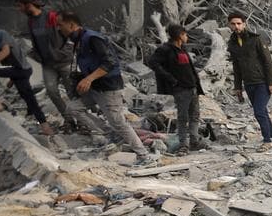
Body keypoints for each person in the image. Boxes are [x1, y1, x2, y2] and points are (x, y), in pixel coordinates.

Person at [57, 12, 153, 165]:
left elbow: (110, 63)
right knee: (73, 108)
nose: (58, 28)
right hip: (95, 87)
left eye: (60, 25)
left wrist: (88, 78)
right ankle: (111, 134)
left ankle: (144, 156)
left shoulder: (92, 38)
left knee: (118, 122)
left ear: (71, 25)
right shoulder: (78, 40)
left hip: (108, 87)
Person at [15, 0, 87, 132]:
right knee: (52, 91)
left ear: (28, 5)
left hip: (64, 61)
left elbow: (70, 32)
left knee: (72, 93)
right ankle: (69, 120)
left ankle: (84, 123)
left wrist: (66, 51)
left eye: (20, 6)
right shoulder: (31, 22)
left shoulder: (51, 16)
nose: (19, 9)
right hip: (48, 64)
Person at [147, 24, 206, 153]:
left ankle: (194, 141)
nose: (187, 37)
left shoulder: (181, 49)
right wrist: (171, 79)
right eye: (185, 35)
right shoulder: (166, 49)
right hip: (181, 89)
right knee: (183, 117)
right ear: (180, 36)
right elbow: (152, 62)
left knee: (194, 116)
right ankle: (183, 145)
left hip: (192, 87)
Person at [227, 12, 272, 148]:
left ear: (244, 24)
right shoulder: (232, 43)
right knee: (262, 112)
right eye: (233, 24)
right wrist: (237, 87)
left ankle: (267, 141)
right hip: (248, 83)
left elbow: (267, 62)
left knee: (259, 111)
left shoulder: (256, 39)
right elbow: (236, 66)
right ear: (229, 25)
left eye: (239, 23)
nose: (236, 26)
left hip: (262, 82)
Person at [0, 27, 53, 135]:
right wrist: (12, 79)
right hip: (18, 71)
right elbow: (12, 58)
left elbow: (6, 51)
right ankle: (46, 127)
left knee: (29, 98)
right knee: (29, 99)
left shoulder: (1, 34)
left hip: (21, 70)